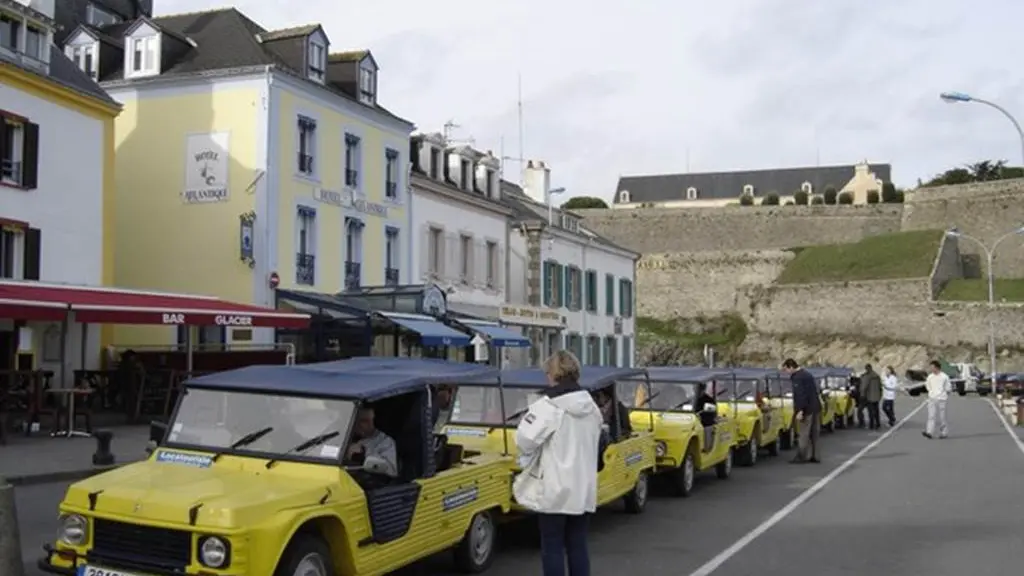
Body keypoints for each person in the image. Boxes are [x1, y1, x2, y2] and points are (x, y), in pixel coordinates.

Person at [513, 350, 602, 576]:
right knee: (578, 545)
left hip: (554, 487)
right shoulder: (592, 407)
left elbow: (525, 439)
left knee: (552, 546)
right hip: (583, 488)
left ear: (552, 374)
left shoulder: (548, 406)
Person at [782, 358, 820, 464]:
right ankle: (815, 455)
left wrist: (800, 410)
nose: (786, 373)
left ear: (791, 367)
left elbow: (800, 395)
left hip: (806, 409)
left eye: (786, 370)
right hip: (815, 407)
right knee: (814, 433)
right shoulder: (808, 374)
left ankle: (802, 456)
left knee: (803, 433)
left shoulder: (797, 377)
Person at [344, 406, 399, 477]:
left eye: (370, 420)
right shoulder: (342, 435)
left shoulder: (385, 441)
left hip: (367, 483)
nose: (370, 424)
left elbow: (392, 471)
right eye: (363, 421)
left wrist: (363, 456)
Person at [923, 360, 951, 439]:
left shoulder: (944, 377)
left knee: (942, 417)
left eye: (932, 367)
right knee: (931, 416)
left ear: (937, 367)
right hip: (932, 398)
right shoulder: (930, 377)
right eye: (930, 367)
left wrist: (944, 395)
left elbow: (948, 388)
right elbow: (927, 386)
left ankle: (944, 432)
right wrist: (931, 393)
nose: (931, 369)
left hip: (941, 399)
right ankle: (929, 432)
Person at [693, 383, 717, 447]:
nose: (697, 391)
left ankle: (706, 447)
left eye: (699, 390)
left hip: (704, 423)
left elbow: (711, 415)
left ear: (703, 390)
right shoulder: (691, 399)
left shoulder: (709, 400)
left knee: (707, 428)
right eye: (695, 389)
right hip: (692, 422)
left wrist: (700, 417)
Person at [860, 364, 883, 430]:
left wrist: (862, 395)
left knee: (871, 412)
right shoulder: (877, 375)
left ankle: (871, 425)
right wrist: (880, 395)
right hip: (877, 396)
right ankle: (878, 424)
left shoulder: (867, 376)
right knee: (876, 411)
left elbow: (864, 387)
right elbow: (880, 386)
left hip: (869, 396)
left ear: (867, 368)